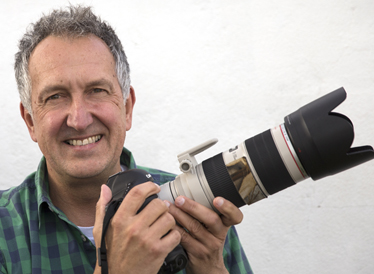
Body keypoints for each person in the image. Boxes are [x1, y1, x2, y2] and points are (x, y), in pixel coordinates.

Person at [0, 5, 252, 274]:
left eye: (97, 90)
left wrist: (210, 267)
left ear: (127, 108)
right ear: (30, 121)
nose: (79, 119)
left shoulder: (196, 207)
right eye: (55, 97)